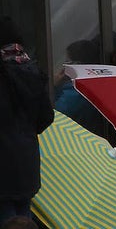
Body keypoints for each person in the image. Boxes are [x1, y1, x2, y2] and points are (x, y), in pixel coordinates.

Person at [0, 17, 54, 225]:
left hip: (3, 165)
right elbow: (46, 117)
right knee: (23, 218)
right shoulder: (30, 69)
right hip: (26, 161)